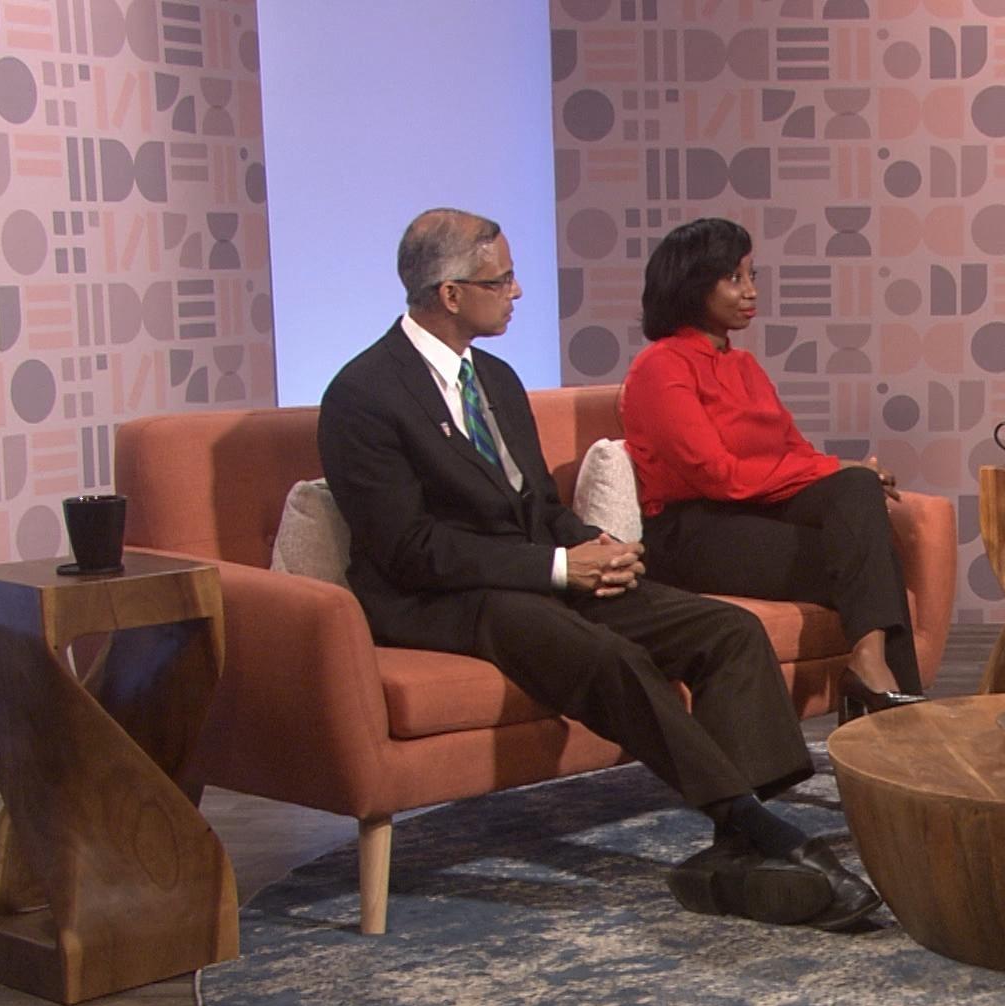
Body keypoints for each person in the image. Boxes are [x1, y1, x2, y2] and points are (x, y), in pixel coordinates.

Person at [318, 208, 879, 931]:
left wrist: (594, 543)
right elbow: (409, 549)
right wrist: (557, 567)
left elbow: (533, 505)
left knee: (728, 630)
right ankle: (767, 837)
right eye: (504, 279)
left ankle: (738, 843)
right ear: (451, 294)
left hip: (530, 568)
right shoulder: (363, 395)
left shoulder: (494, 377)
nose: (517, 292)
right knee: (604, 653)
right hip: (438, 595)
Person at [618, 217, 924, 722]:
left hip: (756, 516)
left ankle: (872, 671)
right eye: (734, 279)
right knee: (873, 563)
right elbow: (716, 475)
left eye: (751, 276)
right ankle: (903, 730)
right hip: (690, 532)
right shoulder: (661, 367)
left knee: (854, 490)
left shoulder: (744, 367)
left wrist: (846, 471)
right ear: (693, 285)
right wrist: (831, 468)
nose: (751, 291)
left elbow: (793, 450)